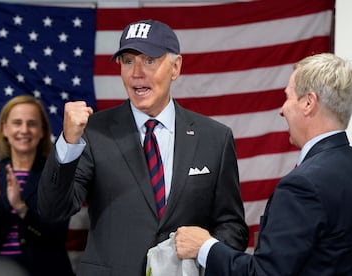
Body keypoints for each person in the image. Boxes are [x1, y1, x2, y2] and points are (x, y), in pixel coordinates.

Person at [37, 19, 249, 275]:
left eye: (149, 60)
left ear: (175, 67)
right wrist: (69, 142)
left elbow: (233, 226)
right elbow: (53, 210)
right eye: (128, 61)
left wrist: (203, 250)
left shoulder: (215, 137)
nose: (137, 72)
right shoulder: (93, 132)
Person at [175, 53, 352, 275]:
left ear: (308, 103)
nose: (282, 109)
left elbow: (265, 273)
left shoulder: (304, 185)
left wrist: (205, 247)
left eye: (288, 97)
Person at [0, 95, 74, 276]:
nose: (24, 130)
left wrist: (20, 207)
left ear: (42, 131)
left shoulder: (57, 175)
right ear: (4, 129)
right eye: (17, 123)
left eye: (32, 123)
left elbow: (56, 235)